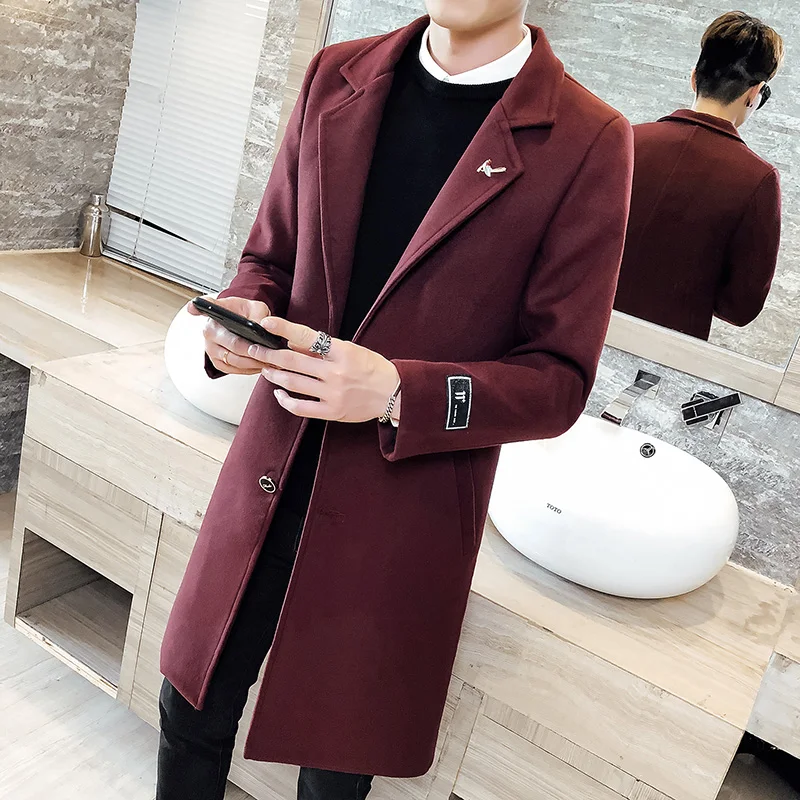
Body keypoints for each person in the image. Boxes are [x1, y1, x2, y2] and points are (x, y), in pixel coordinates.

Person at [156, 3, 634, 799]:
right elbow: (269, 257)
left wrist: (397, 393)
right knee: (188, 709)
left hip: (400, 515)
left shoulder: (588, 138)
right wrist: (243, 317)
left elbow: (557, 380)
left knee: (335, 768)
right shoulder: (335, 74)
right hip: (269, 474)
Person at [614, 11, 784, 341]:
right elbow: (741, 306)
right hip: (669, 353)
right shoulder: (758, 180)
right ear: (755, 93)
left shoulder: (623, 140)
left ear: (694, 78)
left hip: (579, 332)